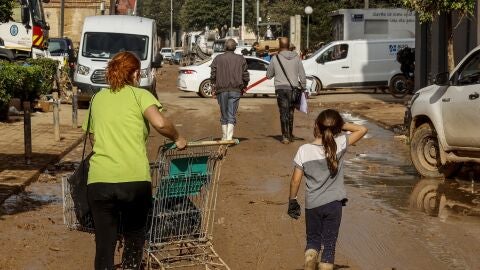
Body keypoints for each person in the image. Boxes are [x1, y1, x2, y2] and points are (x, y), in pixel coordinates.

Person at [83, 51, 187, 270]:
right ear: (136, 73)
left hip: (99, 181)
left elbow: (93, 138)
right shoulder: (140, 95)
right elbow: (160, 124)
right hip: (134, 180)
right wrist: (177, 137)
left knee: (104, 243)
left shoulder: (97, 99)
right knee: (134, 236)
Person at [287, 109, 367, 270]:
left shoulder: (304, 150)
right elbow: (362, 129)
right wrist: (339, 125)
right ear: (337, 128)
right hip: (333, 204)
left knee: (313, 240)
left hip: (313, 205)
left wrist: (292, 201)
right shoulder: (339, 144)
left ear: (316, 126)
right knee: (329, 245)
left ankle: (310, 261)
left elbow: (295, 180)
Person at [266, 37, 306, 144]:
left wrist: (276, 72)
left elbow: (268, 75)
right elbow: (302, 74)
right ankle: (290, 134)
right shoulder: (297, 58)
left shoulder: (275, 58)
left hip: (280, 89)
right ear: (289, 46)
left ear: (279, 46)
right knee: (291, 112)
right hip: (293, 89)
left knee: (283, 112)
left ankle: (285, 136)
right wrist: (303, 86)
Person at [210, 38, 249, 140]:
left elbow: (213, 75)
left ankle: (224, 137)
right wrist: (244, 86)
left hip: (221, 90)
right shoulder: (241, 59)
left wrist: (213, 86)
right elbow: (245, 75)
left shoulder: (218, 59)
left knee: (224, 113)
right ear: (235, 47)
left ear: (225, 47)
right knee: (231, 113)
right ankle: (229, 137)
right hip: (236, 90)